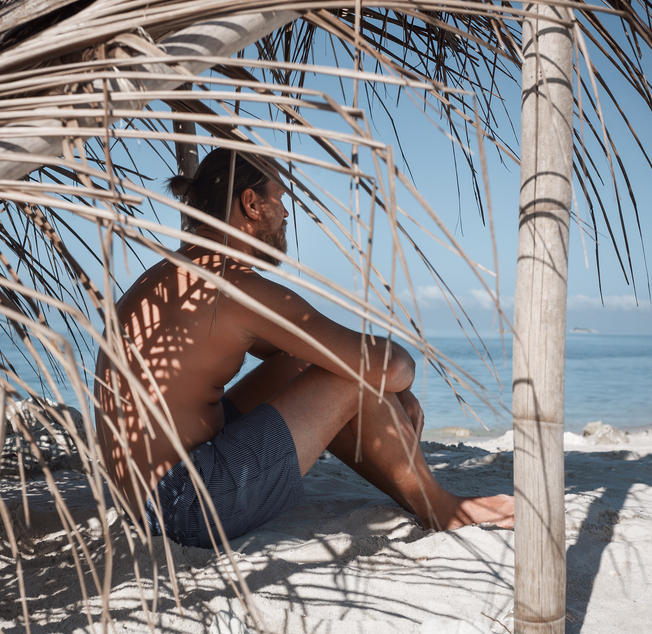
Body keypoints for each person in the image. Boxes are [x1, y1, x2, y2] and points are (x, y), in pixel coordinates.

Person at [95, 148, 514, 549]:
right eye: (279, 198)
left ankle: (417, 494)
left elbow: (302, 357)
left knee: (310, 362)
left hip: (140, 502)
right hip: (184, 507)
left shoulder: (173, 276)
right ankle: (439, 506)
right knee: (353, 375)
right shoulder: (237, 287)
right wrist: (398, 382)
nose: (285, 212)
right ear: (251, 203)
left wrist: (380, 380)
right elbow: (388, 367)